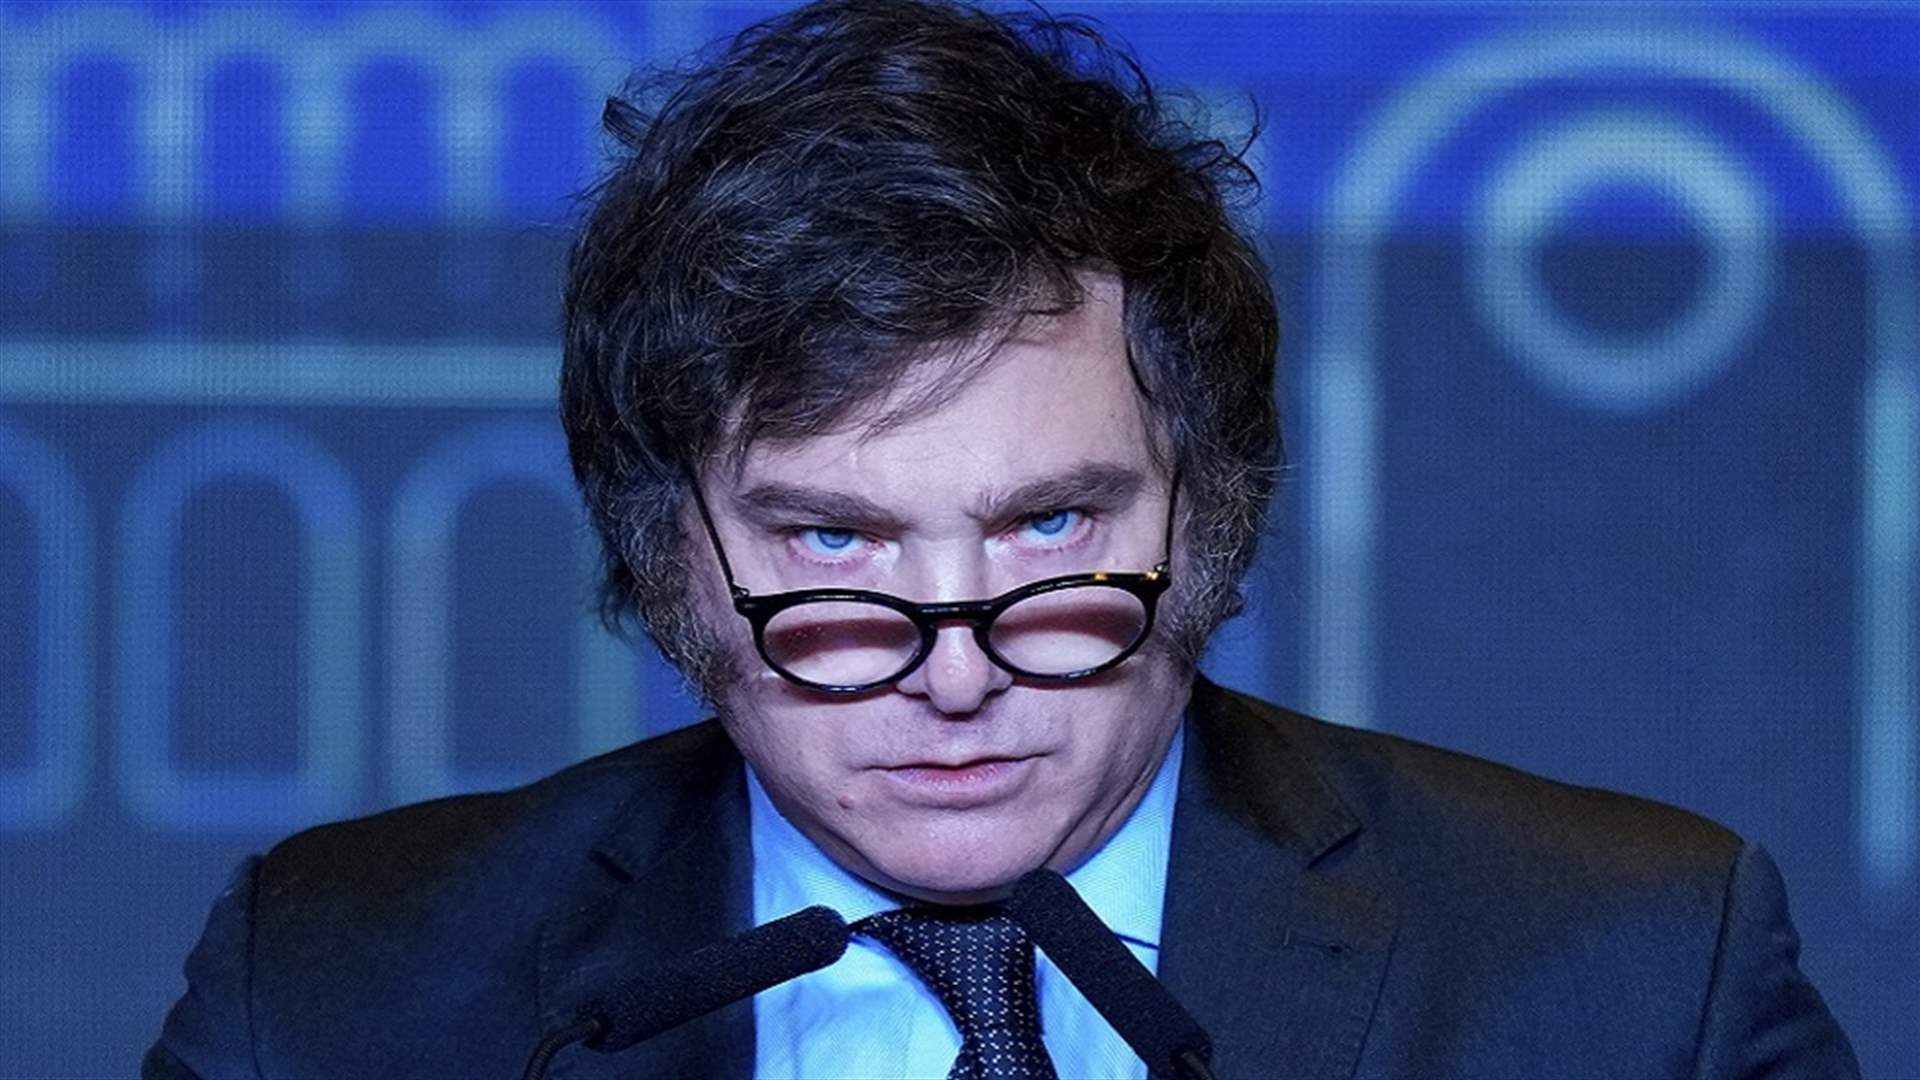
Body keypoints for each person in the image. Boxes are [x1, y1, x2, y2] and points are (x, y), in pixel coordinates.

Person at [146, 1, 1859, 1077]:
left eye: (1050, 524)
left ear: (1206, 520)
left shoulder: (1632, 979)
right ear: (670, 567)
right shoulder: (329, 995)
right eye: (834, 544)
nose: (954, 672)